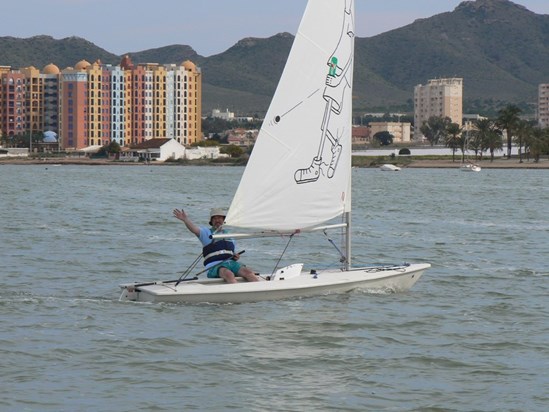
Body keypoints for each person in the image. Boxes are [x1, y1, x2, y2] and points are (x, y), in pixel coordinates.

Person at [173, 207, 259, 283]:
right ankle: (237, 296)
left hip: (231, 263)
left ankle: (258, 291)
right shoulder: (206, 233)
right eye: (215, 218)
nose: (217, 220)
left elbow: (231, 253)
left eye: (220, 218)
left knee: (248, 272)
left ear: (223, 220)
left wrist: (235, 256)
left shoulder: (229, 235)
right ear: (211, 221)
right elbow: (194, 229)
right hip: (214, 266)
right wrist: (185, 220)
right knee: (229, 274)